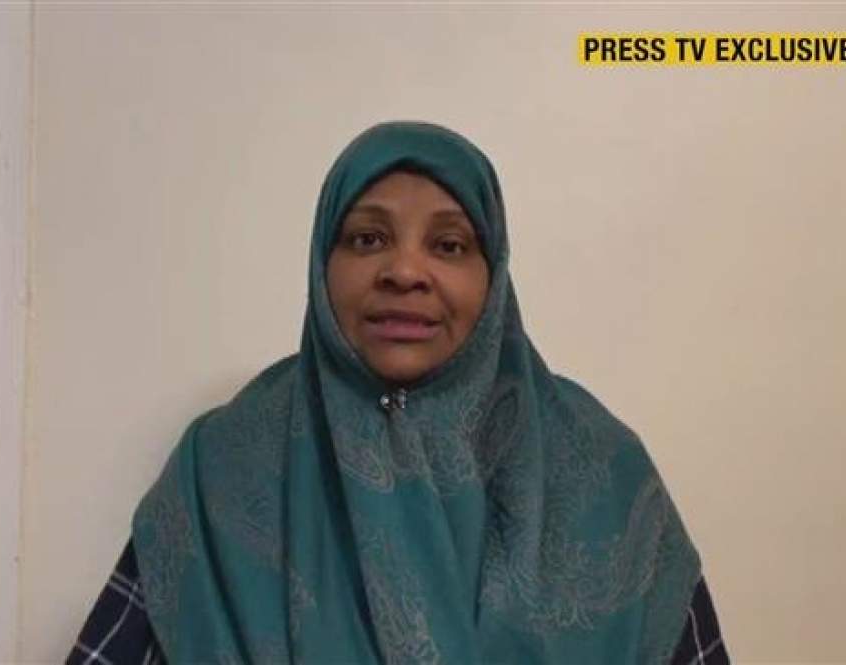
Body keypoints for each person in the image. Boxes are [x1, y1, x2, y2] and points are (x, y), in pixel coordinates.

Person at [68, 122, 729, 664]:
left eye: (449, 244)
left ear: (494, 275)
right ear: (322, 264)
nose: (405, 270)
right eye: (367, 238)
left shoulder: (605, 479)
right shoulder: (222, 470)